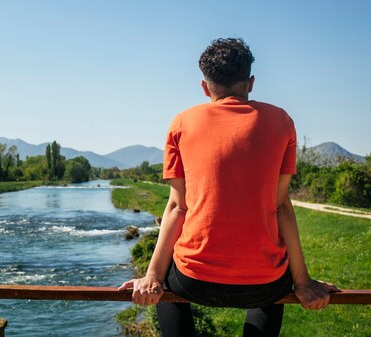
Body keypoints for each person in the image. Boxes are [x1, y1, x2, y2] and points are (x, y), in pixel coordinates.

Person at [118, 38, 339, 337]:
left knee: (167, 286)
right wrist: (302, 282)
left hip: (193, 280)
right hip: (264, 284)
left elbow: (176, 206)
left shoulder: (182, 122)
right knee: (274, 286)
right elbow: (281, 204)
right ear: (250, 82)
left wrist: (151, 276)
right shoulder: (281, 121)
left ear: (205, 87)